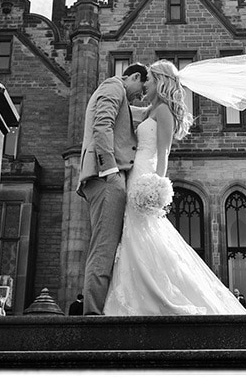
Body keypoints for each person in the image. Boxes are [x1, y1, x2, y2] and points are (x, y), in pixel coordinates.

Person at [103, 60, 246, 316]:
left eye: (149, 80)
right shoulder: (150, 110)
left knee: (144, 233)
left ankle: (155, 296)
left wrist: (157, 185)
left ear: (160, 82)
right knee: (134, 234)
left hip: (146, 174)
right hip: (135, 172)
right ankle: (134, 295)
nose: (145, 83)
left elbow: (164, 152)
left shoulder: (164, 112)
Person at [77, 63, 148, 315]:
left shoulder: (120, 94)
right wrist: (109, 168)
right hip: (106, 177)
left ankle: (100, 310)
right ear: (135, 76)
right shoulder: (113, 86)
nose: (141, 95)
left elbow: (129, 117)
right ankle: (93, 315)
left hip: (108, 177)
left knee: (106, 246)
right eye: (141, 88)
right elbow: (102, 124)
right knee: (104, 247)